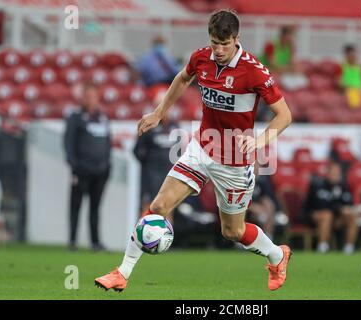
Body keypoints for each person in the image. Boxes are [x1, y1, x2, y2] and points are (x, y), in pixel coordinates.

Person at [95, 9, 293, 292]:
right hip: (201, 149)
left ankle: (277, 255)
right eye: (215, 43)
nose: (220, 50)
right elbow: (182, 78)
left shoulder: (254, 71)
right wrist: (159, 112)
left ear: (237, 39)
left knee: (232, 231)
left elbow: (284, 115)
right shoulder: (201, 57)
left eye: (226, 43)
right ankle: (121, 273)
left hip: (235, 163)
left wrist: (260, 141)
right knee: (159, 206)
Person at [64, 81, 112, 252]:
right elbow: (68, 143)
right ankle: (72, 241)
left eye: (94, 96)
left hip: (100, 171)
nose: (91, 100)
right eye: (88, 96)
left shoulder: (103, 118)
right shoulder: (75, 118)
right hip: (81, 170)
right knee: (76, 205)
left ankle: (95, 242)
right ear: (82, 98)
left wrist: (107, 165)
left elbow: (108, 144)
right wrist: (74, 165)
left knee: (95, 207)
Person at [133, 110, 180, 219]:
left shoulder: (175, 126)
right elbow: (137, 150)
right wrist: (150, 164)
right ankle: (142, 234)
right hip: (150, 178)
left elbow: (179, 152)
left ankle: (167, 235)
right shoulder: (149, 127)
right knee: (148, 209)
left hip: (169, 176)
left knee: (168, 209)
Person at [303, 162, 359, 254]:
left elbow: (348, 202)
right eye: (333, 173)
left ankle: (349, 248)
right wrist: (340, 209)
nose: (336, 175)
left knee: (353, 216)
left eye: (337, 173)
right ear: (327, 173)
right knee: (327, 215)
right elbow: (320, 205)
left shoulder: (343, 187)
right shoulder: (318, 185)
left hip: (335, 217)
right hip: (312, 215)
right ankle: (322, 247)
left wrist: (347, 210)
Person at [259, 25, 308, 91]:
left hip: (281, 70)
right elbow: (272, 64)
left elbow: (291, 62)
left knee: (301, 80)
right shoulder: (271, 44)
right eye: (291, 35)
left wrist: (295, 68)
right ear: (284, 35)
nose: (292, 38)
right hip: (265, 70)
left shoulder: (290, 46)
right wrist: (289, 69)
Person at [336, 44, 361, 109]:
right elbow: (338, 81)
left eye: (355, 55)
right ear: (346, 55)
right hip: (349, 89)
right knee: (354, 99)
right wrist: (344, 87)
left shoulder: (360, 67)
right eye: (351, 55)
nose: (354, 57)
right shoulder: (341, 67)